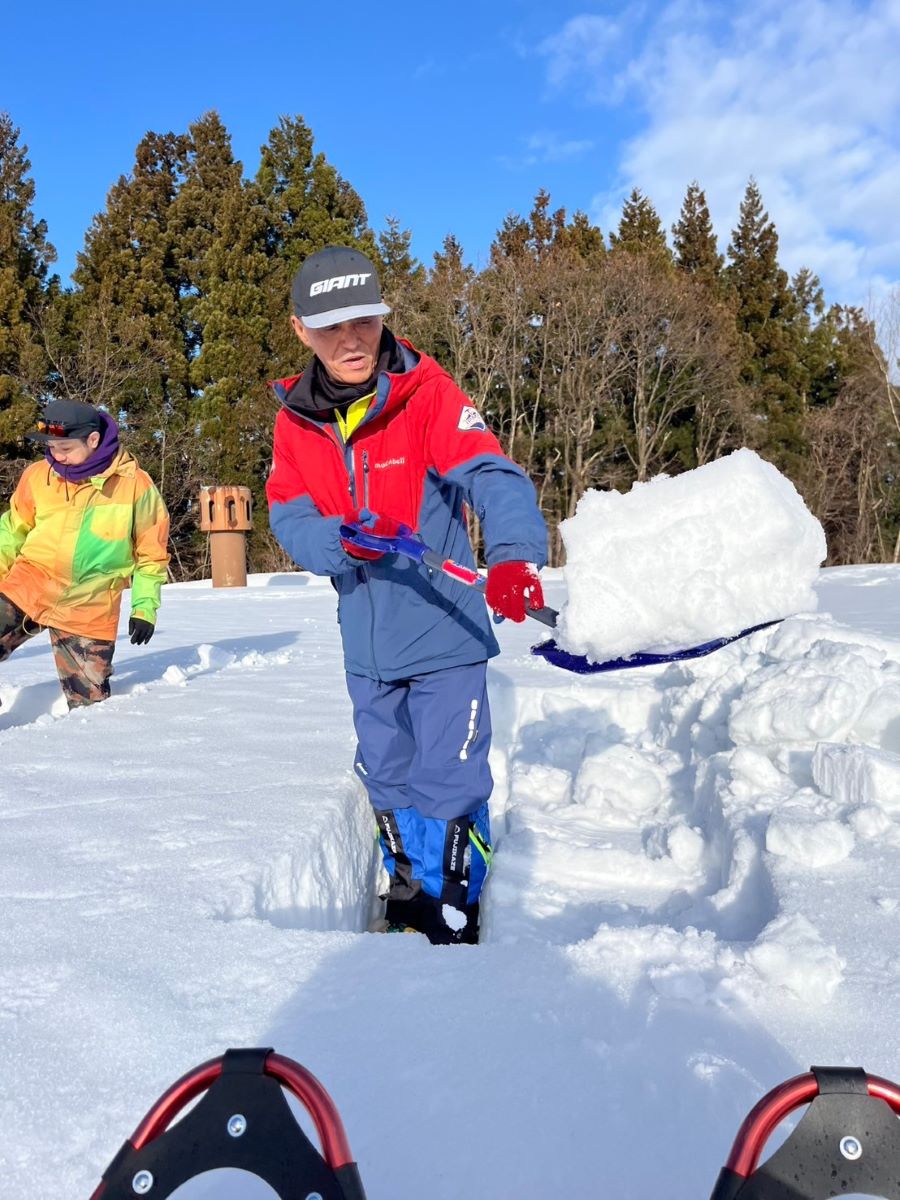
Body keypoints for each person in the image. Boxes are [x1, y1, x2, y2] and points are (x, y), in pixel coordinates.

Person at [266, 245, 548, 945]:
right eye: (329, 326)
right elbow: (289, 514)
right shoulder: (295, 422)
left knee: (448, 780)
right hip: (365, 645)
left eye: (362, 319)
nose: (350, 339)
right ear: (301, 329)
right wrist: (340, 541)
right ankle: (410, 884)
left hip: (446, 635)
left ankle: (455, 902)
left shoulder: (427, 395)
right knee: (387, 774)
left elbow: (494, 475)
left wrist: (514, 557)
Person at [0, 400, 169, 710]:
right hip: (30, 585)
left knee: (90, 706)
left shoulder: (135, 486)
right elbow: (10, 533)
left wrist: (144, 607)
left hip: (89, 606)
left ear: (92, 440)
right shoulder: (38, 476)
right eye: (51, 447)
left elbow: (151, 553)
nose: (56, 455)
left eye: (64, 447)